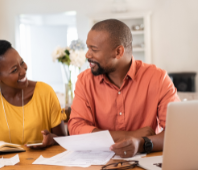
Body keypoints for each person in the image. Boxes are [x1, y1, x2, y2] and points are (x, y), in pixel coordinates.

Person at [68, 19, 180, 158]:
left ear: (118, 51)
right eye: (88, 47)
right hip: (100, 163)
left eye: (94, 49)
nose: (87, 55)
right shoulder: (84, 81)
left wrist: (141, 143)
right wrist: (128, 135)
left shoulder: (157, 78)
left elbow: (177, 131)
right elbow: (76, 128)